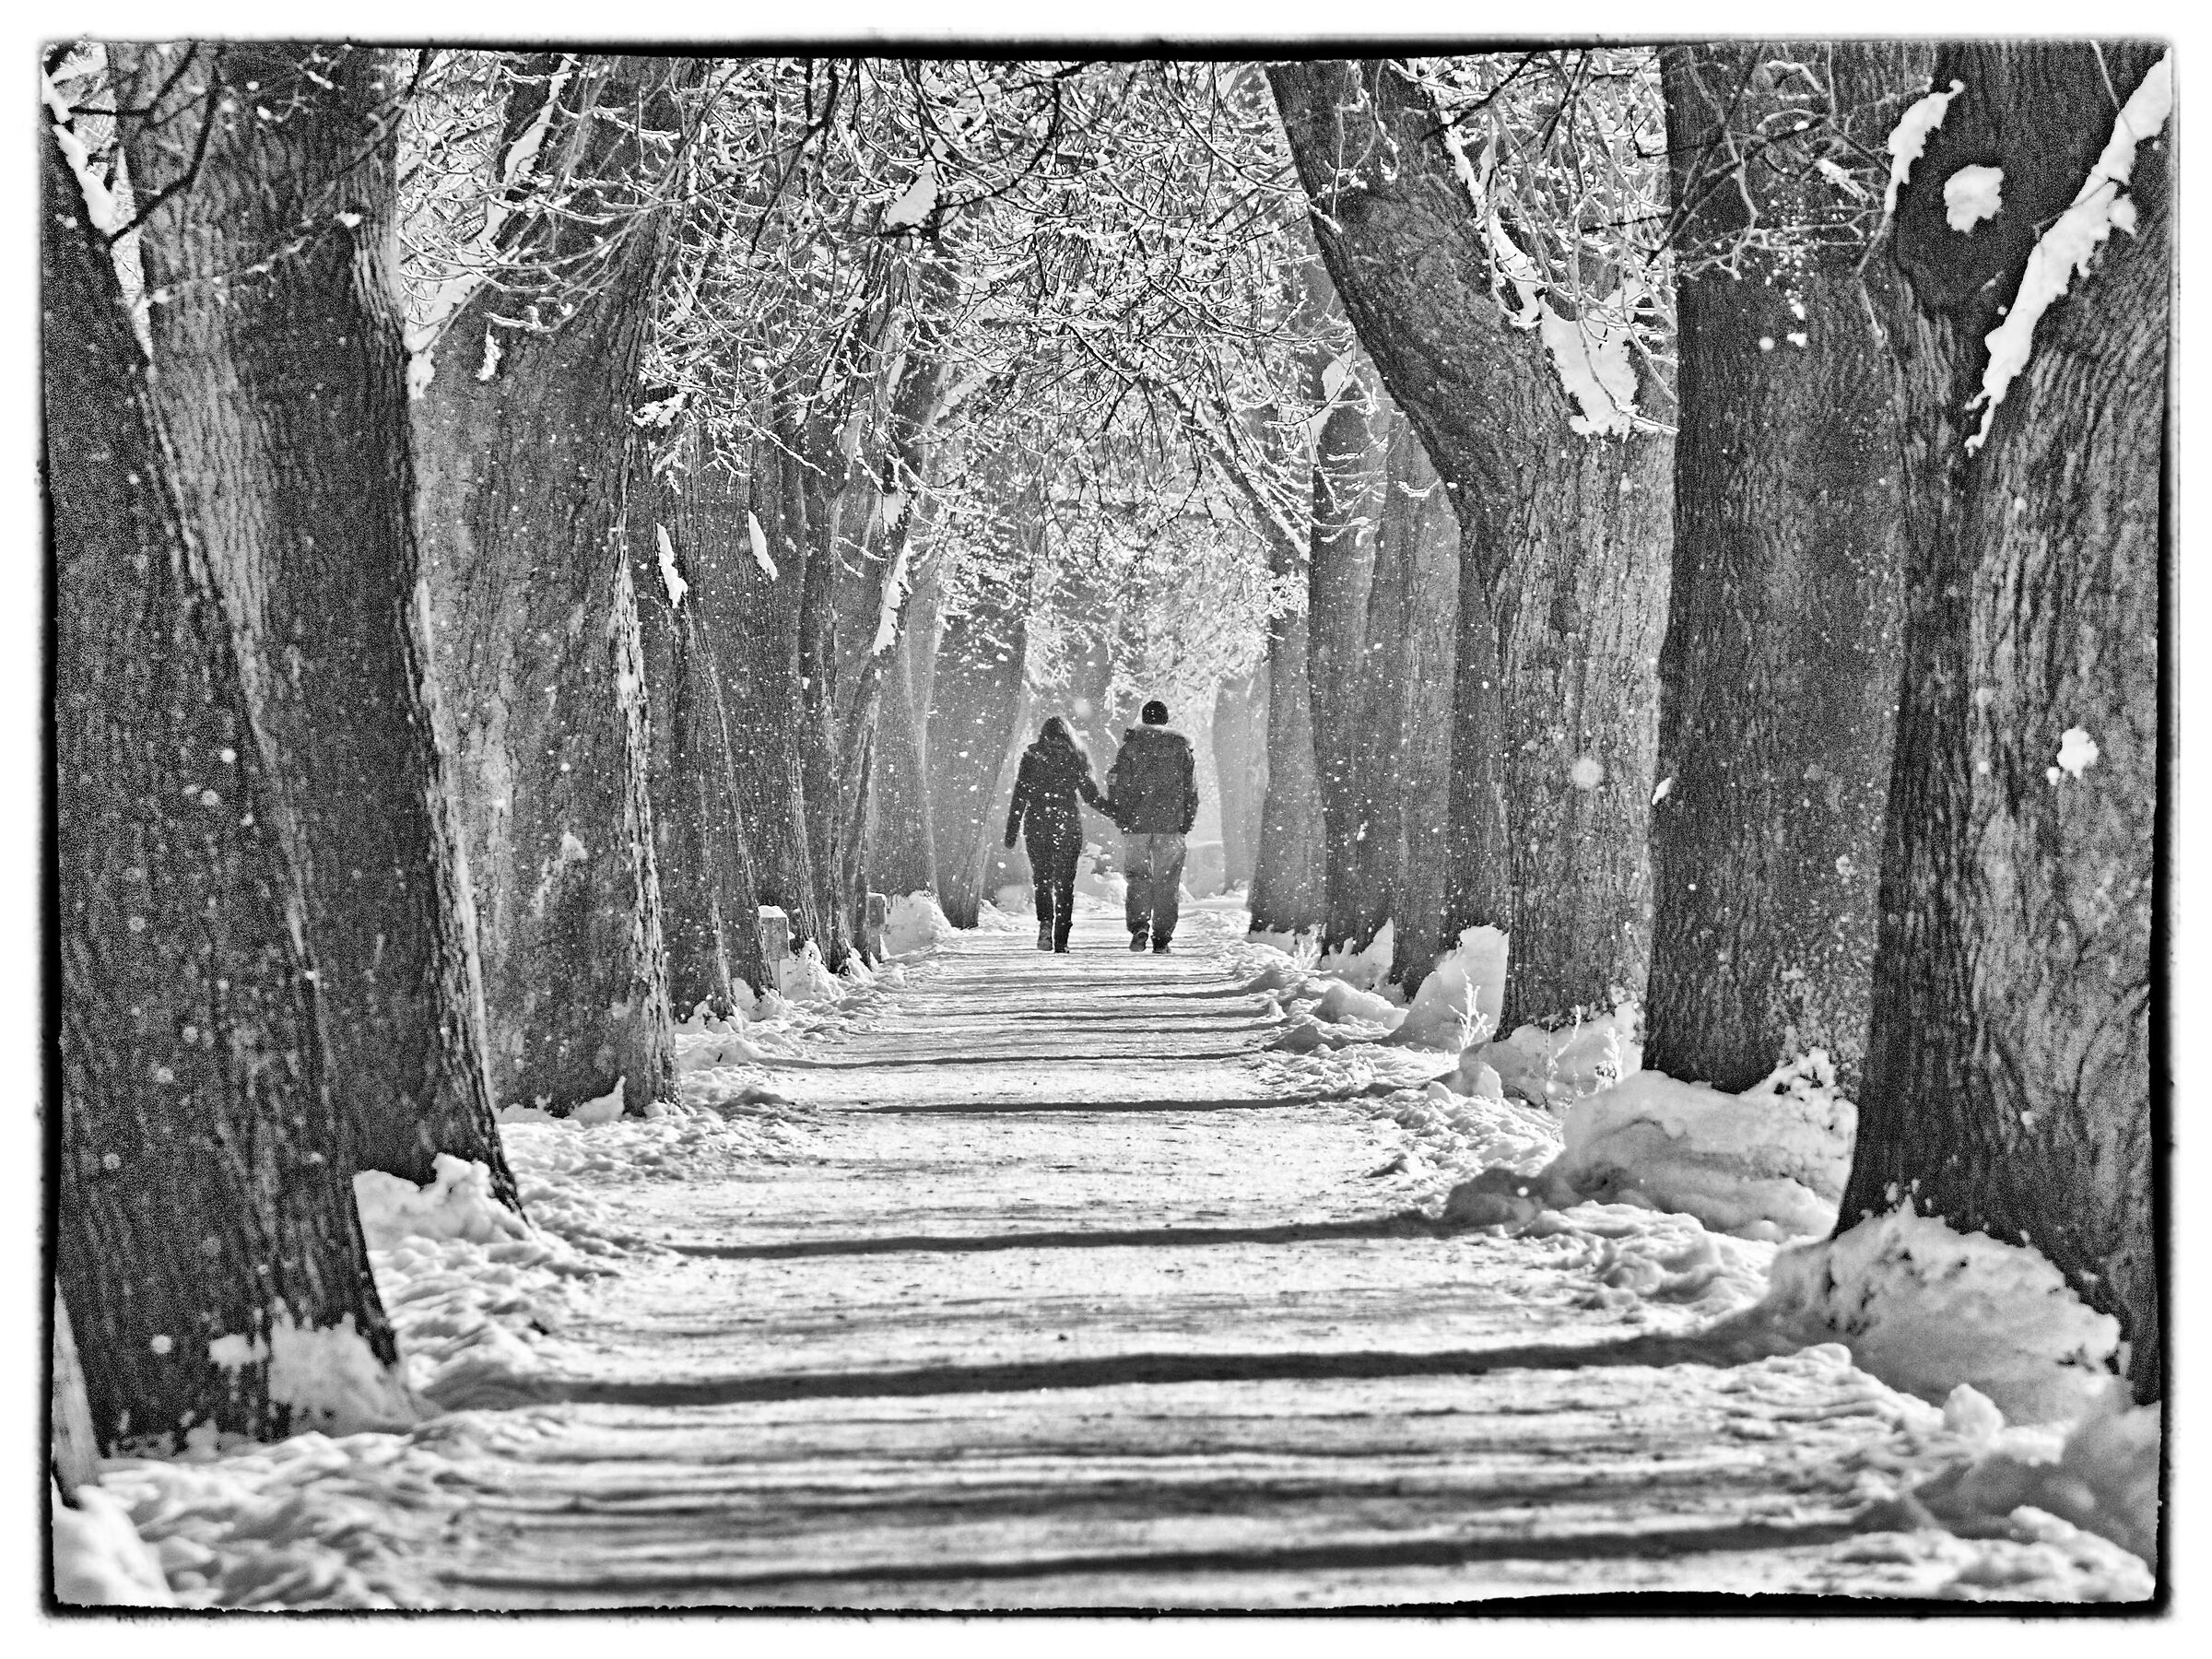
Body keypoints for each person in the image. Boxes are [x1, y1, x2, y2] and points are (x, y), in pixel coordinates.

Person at [1004, 716, 1107, 953]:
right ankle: (1062, 938)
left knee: (1042, 880)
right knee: (1065, 884)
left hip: (1037, 825)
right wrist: (1116, 812)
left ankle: (1044, 926)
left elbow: (1020, 794)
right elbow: (1090, 797)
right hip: (1067, 824)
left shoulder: (1031, 758)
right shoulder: (1075, 758)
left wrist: (1012, 830)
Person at [1103, 699, 1199, 953]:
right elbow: (1191, 790)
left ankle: (1139, 926)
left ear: (1143, 721)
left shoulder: (1130, 748)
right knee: (1167, 881)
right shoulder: (1181, 750)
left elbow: (1117, 785)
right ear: (1166, 721)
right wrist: (1186, 821)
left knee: (1138, 877)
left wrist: (1121, 815)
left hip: (1137, 824)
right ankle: (1162, 937)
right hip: (1171, 825)